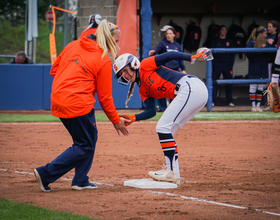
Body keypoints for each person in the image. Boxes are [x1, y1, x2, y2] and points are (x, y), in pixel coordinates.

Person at [34, 20, 130, 192]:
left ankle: (80, 180)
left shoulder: (73, 45)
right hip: (78, 103)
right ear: (108, 39)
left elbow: (54, 71)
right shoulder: (103, 60)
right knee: (85, 145)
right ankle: (45, 173)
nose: (117, 45)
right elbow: (105, 98)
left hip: (58, 99)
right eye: (115, 41)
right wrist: (116, 120)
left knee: (89, 138)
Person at [113, 48, 213, 185]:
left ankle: (171, 171)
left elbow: (170, 55)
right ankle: (173, 172)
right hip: (192, 92)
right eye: (121, 74)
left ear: (133, 64)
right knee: (166, 129)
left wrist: (192, 58)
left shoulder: (145, 66)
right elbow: (151, 111)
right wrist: (134, 118)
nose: (125, 75)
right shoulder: (142, 90)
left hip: (191, 87)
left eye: (125, 70)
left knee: (163, 127)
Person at [149, 25, 186, 112]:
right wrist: (154, 51)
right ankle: (162, 108)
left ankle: (174, 108)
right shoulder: (162, 43)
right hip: (165, 70)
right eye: (167, 34)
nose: (168, 35)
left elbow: (180, 59)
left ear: (174, 35)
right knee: (162, 89)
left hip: (175, 71)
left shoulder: (177, 45)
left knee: (175, 90)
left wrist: (183, 69)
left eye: (170, 33)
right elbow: (157, 49)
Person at [246, 26, 269, 112]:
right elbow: (248, 55)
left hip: (263, 68)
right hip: (254, 68)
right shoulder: (251, 43)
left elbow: (269, 56)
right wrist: (258, 48)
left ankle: (258, 105)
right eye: (265, 34)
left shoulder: (266, 43)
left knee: (260, 87)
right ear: (260, 34)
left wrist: (265, 48)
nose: (266, 35)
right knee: (253, 87)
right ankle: (253, 105)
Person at [211, 25, 235, 107]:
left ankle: (230, 101)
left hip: (227, 65)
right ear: (219, 31)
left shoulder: (230, 41)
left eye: (225, 30)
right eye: (222, 30)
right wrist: (213, 65)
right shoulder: (215, 41)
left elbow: (233, 55)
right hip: (217, 64)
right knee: (214, 82)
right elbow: (211, 55)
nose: (224, 32)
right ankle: (212, 101)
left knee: (229, 83)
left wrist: (231, 66)